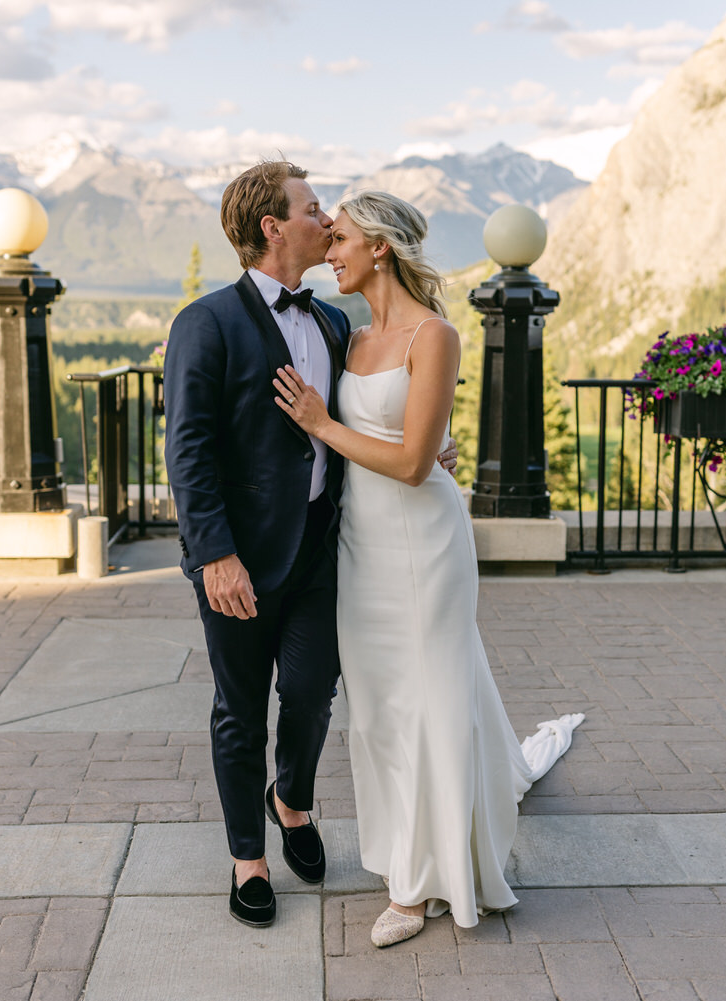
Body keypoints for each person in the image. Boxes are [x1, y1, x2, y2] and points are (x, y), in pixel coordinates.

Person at [275, 191, 579, 949]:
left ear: (380, 246)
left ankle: (423, 884)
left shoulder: (433, 335)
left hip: (425, 543)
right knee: (379, 709)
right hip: (361, 547)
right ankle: (405, 853)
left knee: (431, 700)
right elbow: (391, 444)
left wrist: (324, 422)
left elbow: (414, 463)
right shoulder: (347, 335)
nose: (328, 250)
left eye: (339, 238)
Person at [162, 161, 456, 929]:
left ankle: (291, 799)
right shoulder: (207, 322)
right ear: (273, 227)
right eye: (313, 208)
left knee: (312, 694)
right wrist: (215, 553)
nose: (326, 223)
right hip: (238, 561)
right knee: (238, 708)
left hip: (327, 551)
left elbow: (367, 424)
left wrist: (420, 452)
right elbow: (187, 449)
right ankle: (248, 858)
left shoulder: (333, 323)